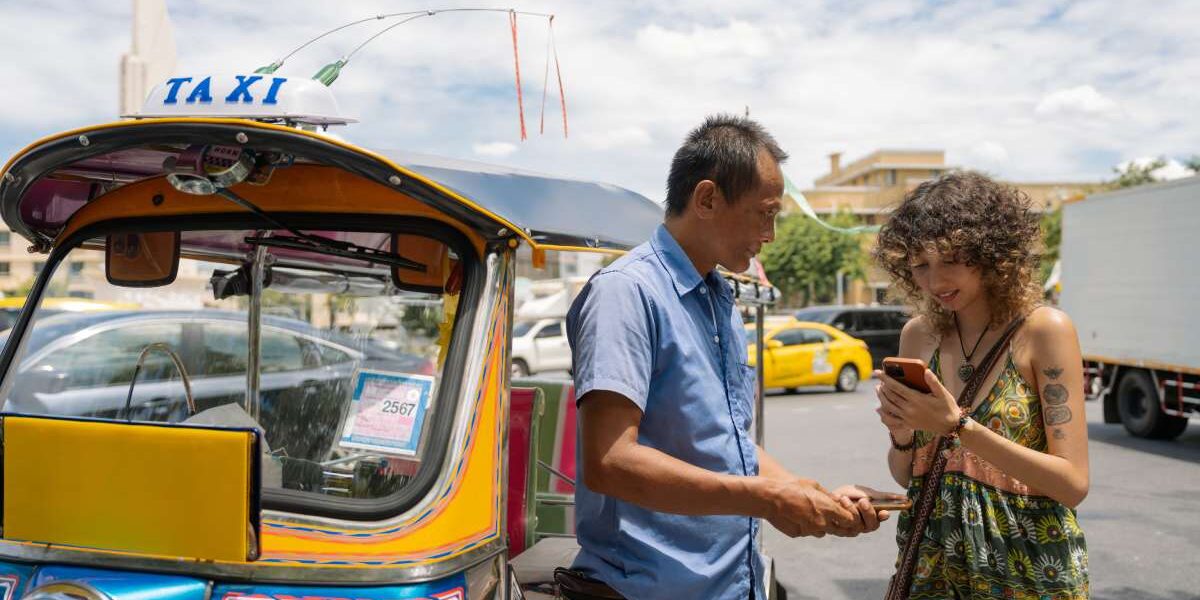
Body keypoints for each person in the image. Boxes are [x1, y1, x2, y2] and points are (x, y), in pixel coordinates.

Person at [564, 114, 901, 600]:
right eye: (765, 213)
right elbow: (611, 461)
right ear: (706, 199)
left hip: (730, 584)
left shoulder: (718, 296)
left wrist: (808, 495)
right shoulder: (627, 292)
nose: (771, 233)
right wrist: (768, 498)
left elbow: (725, 441)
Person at [872, 172, 1090, 599]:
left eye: (951, 260)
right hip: (933, 572)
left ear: (991, 254)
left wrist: (958, 427)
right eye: (920, 265)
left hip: (1029, 570)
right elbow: (906, 476)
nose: (936, 282)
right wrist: (901, 436)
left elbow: (1072, 484)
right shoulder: (918, 336)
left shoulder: (1044, 330)